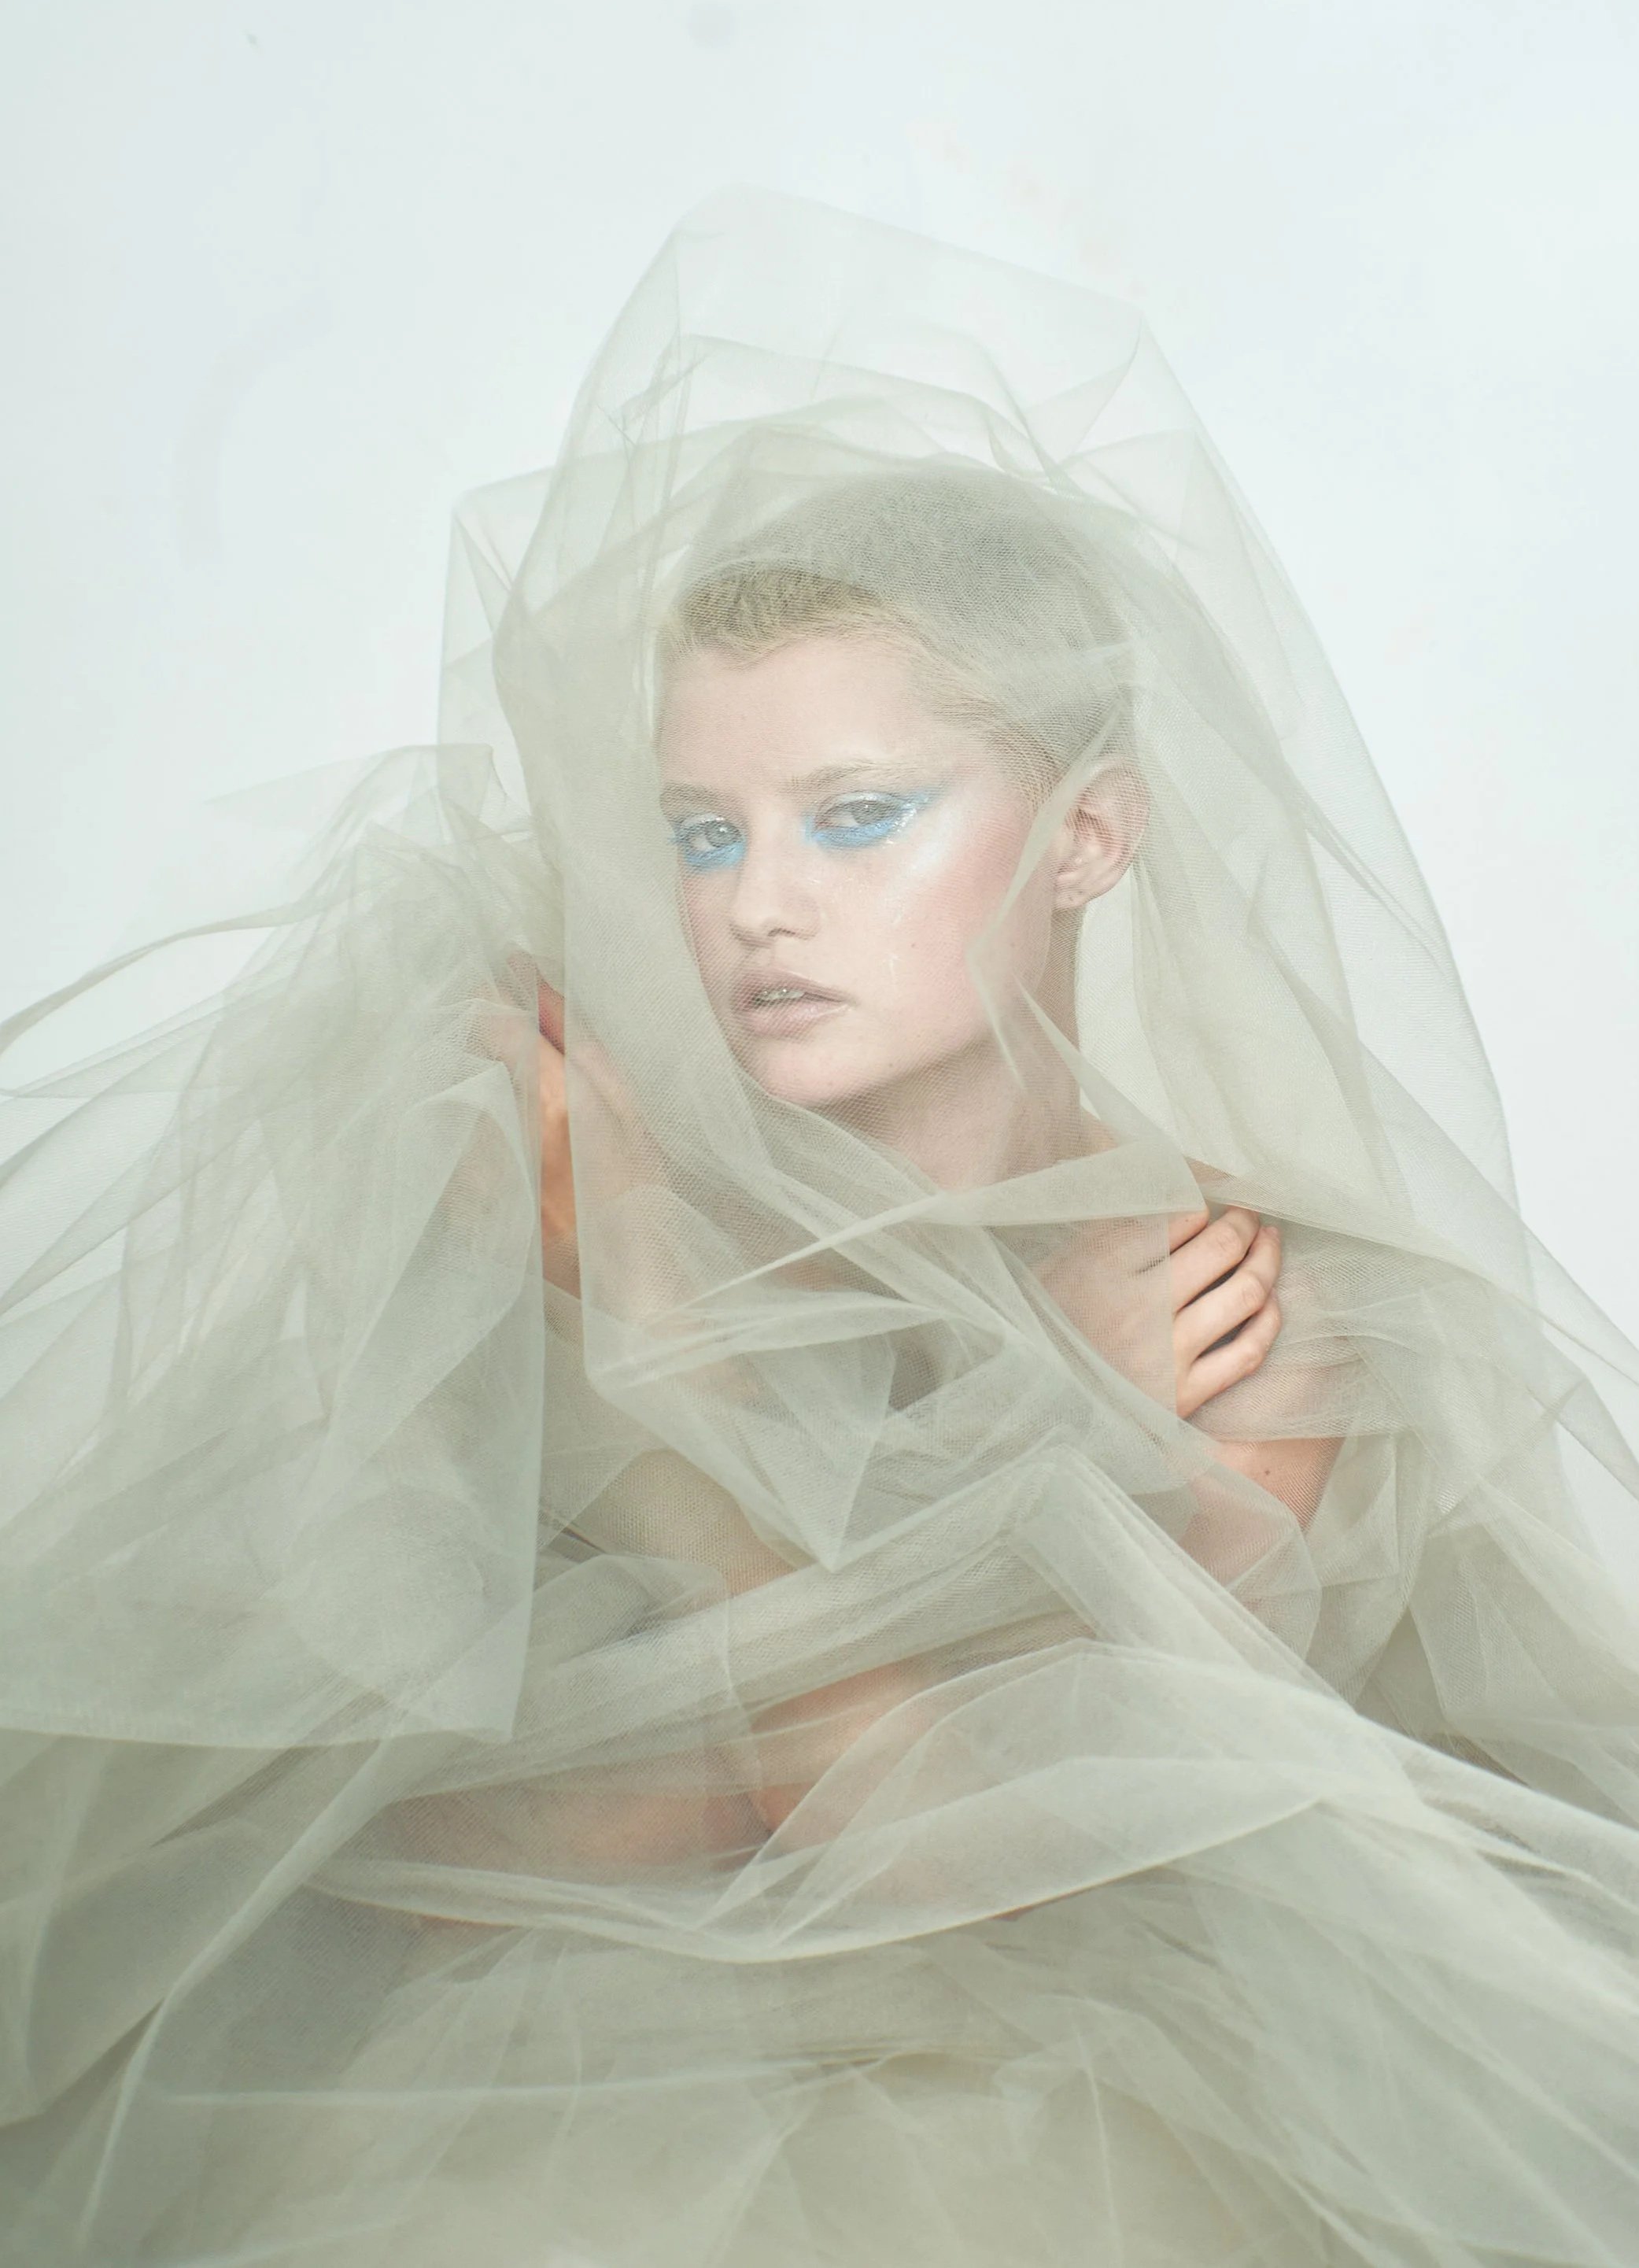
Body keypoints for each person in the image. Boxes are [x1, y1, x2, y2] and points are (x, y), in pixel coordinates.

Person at [3, 189, 1639, 2266]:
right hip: (543, 2073)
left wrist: (660, 1345)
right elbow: (360, 1842)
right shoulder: (556, 1168)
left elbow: (912, 1846)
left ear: (1091, 833)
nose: (756, 904)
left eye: (856, 816)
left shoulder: (1239, 1309)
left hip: (1086, 2095)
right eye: (707, 831)